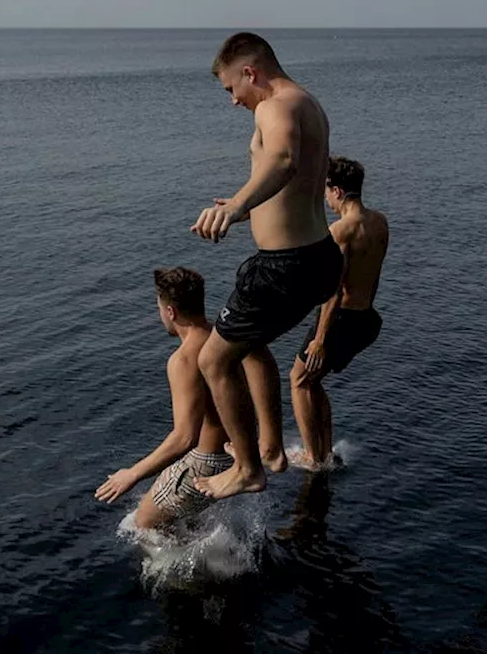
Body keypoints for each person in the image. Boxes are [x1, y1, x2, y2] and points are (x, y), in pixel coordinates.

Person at [189, 32, 342, 500]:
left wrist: (236, 205)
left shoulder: (274, 105)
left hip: (283, 265)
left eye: (232, 89)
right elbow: (297, 179)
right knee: (248, 344)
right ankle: (272, 448)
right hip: (317, 257)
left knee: (211, 359)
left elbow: (282, 159)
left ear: (250, 72)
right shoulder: (307, 102)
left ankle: (248, 468)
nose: (234, 101)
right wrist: (255, 209)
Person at [94, 268, 232, 530]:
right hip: (233, 453)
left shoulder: (182, 360)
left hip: (207, 460)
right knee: (179, 518)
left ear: (171, 312)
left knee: (141, 524)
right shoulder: (221, 338)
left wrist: (131, 474)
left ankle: (193, 570)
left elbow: (184, 437)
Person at [289, 156, 389, 470]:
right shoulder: (380, 222)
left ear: (338, 191)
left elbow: (333, 289)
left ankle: (312, 455)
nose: (325, 198)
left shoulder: (341, 231)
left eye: (326, 191)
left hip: (338, 320)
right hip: (366, 319)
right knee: (314, 382)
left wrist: (320, 339)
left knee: (298, 380)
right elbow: (373, 277)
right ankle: (326, 451)